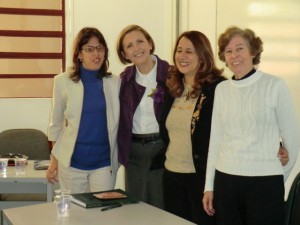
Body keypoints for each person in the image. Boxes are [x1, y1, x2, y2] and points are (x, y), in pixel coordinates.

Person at [203, 26, 300, 225]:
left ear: (253, 52)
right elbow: (216, 140)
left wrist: (276, 178)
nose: (234, 55)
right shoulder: (221, 90)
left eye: (240, 48)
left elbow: (292, 137)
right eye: (228, 51)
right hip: (226, 180)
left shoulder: (274, 85)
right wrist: (209, 186)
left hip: (264, 183)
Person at [159, 30, 226, 224]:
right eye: (179, 50)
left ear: (202, 56)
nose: (182, 56)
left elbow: (237, 123)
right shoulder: (173, 87)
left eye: (189, 51)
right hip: (171, 175)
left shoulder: (217, 88)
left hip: (201, 178)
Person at [46, 27, 120, 194]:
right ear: (79, 54)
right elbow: (56, 125)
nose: (96, 54)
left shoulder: (115, 83)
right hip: (72, 163)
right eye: (89, 49)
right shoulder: (62, 81)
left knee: (102, 215)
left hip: (104, 162)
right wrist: (54, 161)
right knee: (75, 215)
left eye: (100, 48)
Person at [116, 24, 169, 209]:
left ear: (150, 44)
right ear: (124, 54)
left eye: (140, 41)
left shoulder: (171, 75)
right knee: (136, 209)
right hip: (134, 153)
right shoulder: (124, 80)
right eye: (129, 45)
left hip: (162, 152)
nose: (136, 48)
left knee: (161, 206)